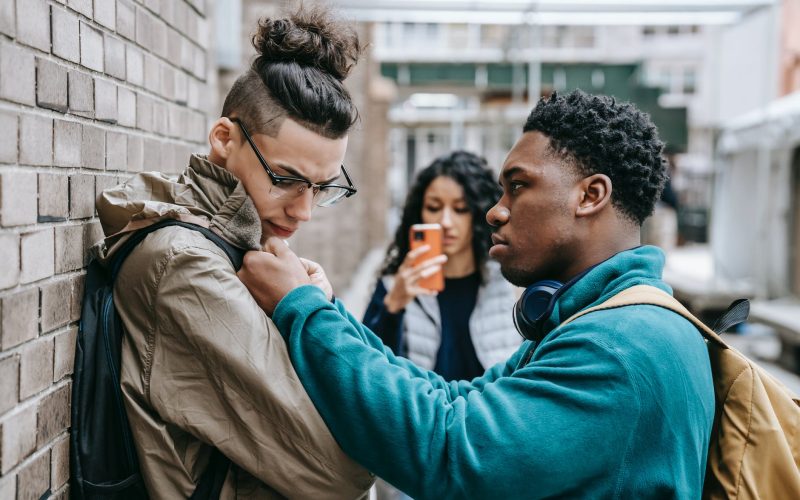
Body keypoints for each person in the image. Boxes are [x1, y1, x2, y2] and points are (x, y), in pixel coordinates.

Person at [238, 90, 715, 499]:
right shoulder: (599, 318)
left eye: (518, 187)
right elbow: (454, 398)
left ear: (590, 196)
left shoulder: (618, 345)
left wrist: (299, 309)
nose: (495, 212)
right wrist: (326, 310)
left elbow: (450, 449)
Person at [91, 5, 373, 498]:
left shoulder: (237, 249)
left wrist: (307, 303)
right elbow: (344, 473)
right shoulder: (186, 264)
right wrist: (304, 313)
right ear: (224, 139)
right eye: (286, 179)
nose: (304, 211)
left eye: (323, 187)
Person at [363, 151, 520, 381]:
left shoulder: (510, 281)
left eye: (460, 209)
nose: (445, 222)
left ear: (478, 213)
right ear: (419, 212)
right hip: (422, 415)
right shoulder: (394, 284)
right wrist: (393, 306)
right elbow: (366, 370)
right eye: (434, 207)